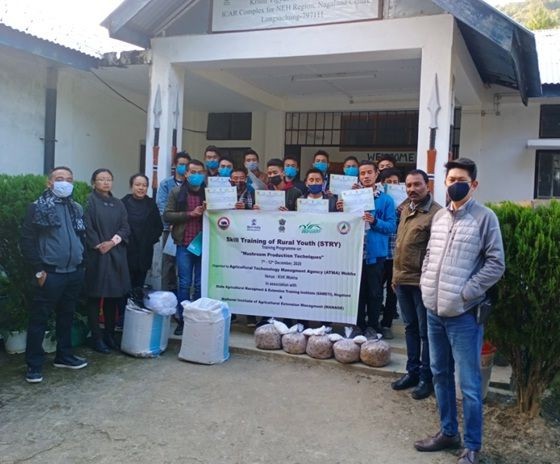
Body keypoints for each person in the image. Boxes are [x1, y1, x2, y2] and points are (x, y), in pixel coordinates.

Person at [415, 158, 505, 464]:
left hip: (464, 316)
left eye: (461, 179)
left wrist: (466, 293)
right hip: (433, 311)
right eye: (451, 179)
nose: (455, 184)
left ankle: (473, 446)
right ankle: (447, 432)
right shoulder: (439, 216)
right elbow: (429, 254)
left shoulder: (485, 218)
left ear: (474, 184)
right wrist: (428, 284)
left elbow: (496, 264)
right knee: (440, 374)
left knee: (468, 385)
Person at [21, 166, 88, 383]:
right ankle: (34, 365)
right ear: (49, 183)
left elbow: (81, 237)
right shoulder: (37, 208)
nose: (65, 183)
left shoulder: (76, 207)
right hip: (50, 273)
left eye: (69, 179)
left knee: (66, 316)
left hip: (73, 272)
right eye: (60, 179)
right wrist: (39, 270)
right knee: (39, 319)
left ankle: (64, 355)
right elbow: (28, 241)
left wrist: (82, 264)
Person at [391, 169, 441, 400]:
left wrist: (429, 283)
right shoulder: (405, 210)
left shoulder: (437, 214)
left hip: (422, 283)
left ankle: (425, 378)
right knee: (410, 328)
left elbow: (436, 252)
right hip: (402, 281)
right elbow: (400, 246)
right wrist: (394, 276)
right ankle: (411, 372)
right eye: (408, 185)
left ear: (427, 185)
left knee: (425, 333)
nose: (412, 189)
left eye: (417, 185)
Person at [337, 160, 396, 339]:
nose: (366, 176)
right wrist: (341, 211)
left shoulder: (386, 200)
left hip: (375, 254)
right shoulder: (350, 197)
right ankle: (358, 325)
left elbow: (391, 227)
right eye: (362, 173)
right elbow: (343, 226)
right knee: (358, 291)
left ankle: (373, 326)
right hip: (355, 253)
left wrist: (374, 220)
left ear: (377, 173)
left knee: (375, 292)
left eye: (369, 172)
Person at [85, 168, 131, 354]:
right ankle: (96, 337)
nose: (105, 183)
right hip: (96, 255)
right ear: (94, 182)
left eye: (109, 179)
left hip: (115, 253)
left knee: (113, 296)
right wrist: (98, 245)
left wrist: (112, 242)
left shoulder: (118, 203)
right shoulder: (89, 202)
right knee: (95, 297)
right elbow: (86, 226)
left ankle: (110, 335)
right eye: (101, 179)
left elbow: (125, 227)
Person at [164, 160, 207, 335]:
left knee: (199, 284)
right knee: (184, 283)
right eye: (192, 172)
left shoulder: (209, 194)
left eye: (199, 172)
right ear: (187, 174)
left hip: (204, 244)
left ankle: (195, 318)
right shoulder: (176, 192)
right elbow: (167, 215)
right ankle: (182, 319)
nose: (196, 175)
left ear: (203, 174)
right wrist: (190, 214)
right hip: (184, 244)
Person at [156, 151, 191, 292]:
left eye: (186, 165)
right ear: (175, 165)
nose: (183, 167)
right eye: (181, 164)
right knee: (168, 264)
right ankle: (166, 296)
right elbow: (162, 205)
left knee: (185, 266)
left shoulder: (192, 184)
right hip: (169, 230)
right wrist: (172, 221)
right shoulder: (166, 183)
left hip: (187, 230)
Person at [122, 174, 163, 289]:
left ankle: (138, 304)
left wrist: (149, 240)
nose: (141, 188)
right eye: (138, 185)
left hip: (145, 250)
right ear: (131, 186)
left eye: (144, 185)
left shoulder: (151, 204)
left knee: (139, 284)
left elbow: (158, 226)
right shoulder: (122, 204)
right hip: (127, 250)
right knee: (126, 284)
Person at [378, 168, 401, 339]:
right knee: (375, 289)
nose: (391, 185)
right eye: (388, 182)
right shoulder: (378, 199)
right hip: (378, 251)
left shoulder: (406, 204)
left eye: (395, 182)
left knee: (393, 292)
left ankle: (386, 324)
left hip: (395, 253)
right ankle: (373, 321)